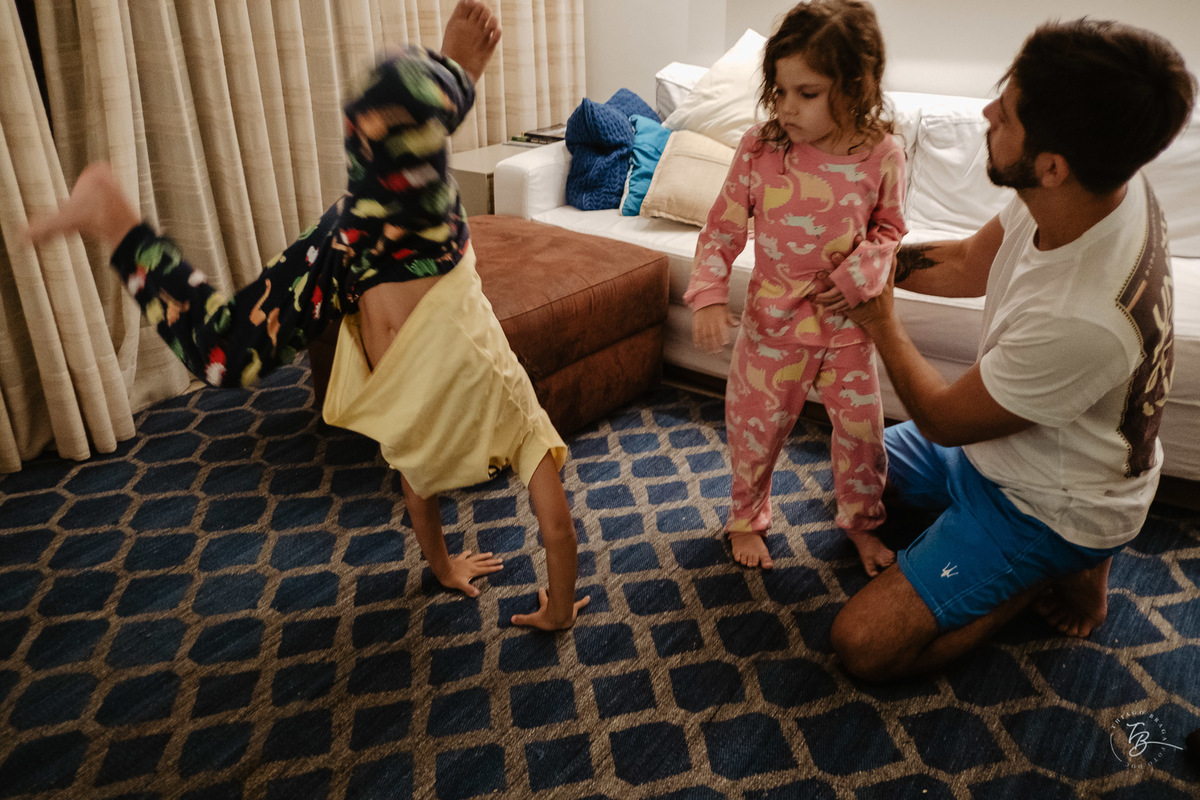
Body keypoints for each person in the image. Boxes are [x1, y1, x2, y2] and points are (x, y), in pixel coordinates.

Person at [25, 0, 590, 631]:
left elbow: (419, 493)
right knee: (386, 111)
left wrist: (443, 566)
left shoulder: (414, 436)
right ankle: (453, 72)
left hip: (349, 258)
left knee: (222, 357)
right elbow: (558, 530)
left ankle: (112, 216)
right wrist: (560, 612)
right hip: (427, 256)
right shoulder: (521, 423)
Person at [827, 18, 1196, 680]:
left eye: (1007, 111)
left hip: (1048, 501)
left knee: (863, 646)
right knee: (858, 470)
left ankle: (1050, 568)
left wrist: (879, 318)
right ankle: (1037, 561)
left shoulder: (1084, 318)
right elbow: (971, 262)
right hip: (1000, 450)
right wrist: (875, 261)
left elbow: (940, 416)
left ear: (1051, 166)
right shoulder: (1092, 184)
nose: (987, 111)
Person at [685, 0, 906, 574]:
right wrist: (708, 292)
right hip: (772, 327)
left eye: (806, 94)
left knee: (862, 436)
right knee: (754, 429)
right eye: (779, 92)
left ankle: (862, 523)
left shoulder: (883, 152)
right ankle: (746, 517)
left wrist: (866, 268)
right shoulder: (761, 148)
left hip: (847, 328)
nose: (786, 107)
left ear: (856, 87)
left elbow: (890, 230)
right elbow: (722, 228)